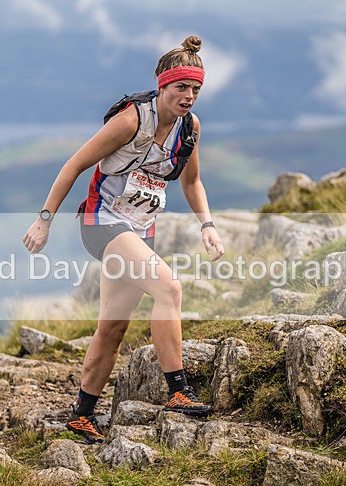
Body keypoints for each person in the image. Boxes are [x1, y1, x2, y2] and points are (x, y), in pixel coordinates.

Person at [22, 36, 224, 444]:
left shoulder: (190, 128)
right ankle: (179, 391)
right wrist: (44, 220)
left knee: (112, 328)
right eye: (181, 88)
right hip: (101, 224)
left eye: (196, 90)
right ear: (162, 84)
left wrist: (207, 223)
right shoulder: (133, 118)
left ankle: (82, 414)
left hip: (138, 231)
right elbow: (75, 164)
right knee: (169, 287)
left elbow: (193, 181)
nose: (188, 97)